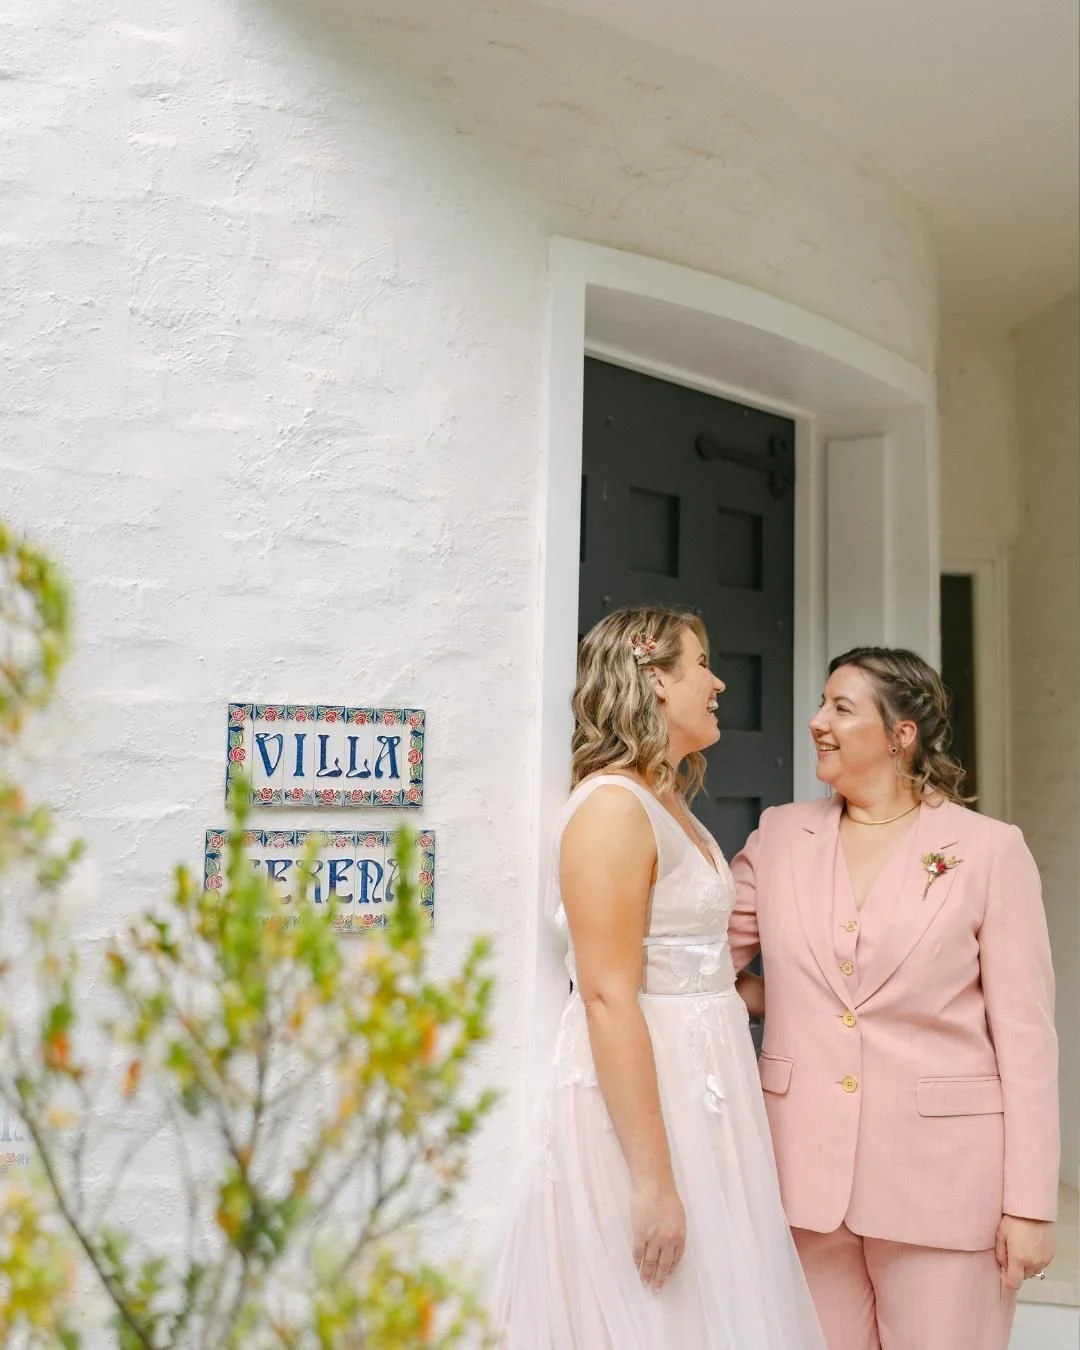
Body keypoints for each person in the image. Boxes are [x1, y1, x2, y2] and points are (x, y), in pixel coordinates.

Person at [488, 605, 826, 1350]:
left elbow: (696, 968)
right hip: (646, 1102)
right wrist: (652, 1181)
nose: (718, 682)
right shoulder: (612, 810)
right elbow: (610, 996)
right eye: (701, 663)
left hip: (707, 1093)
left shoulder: (667, 800)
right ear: (653, 680)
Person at [729, 646, 1059, 1350]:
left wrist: (1030, 1205)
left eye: (841, 708)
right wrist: (776, 1000)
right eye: (822, 703)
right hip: (804, 1184)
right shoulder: (782, 836)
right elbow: (703, 967)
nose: (817, 720)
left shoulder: (989, 852)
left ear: (900, 735)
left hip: (944, 1186)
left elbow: (1026, 1040)